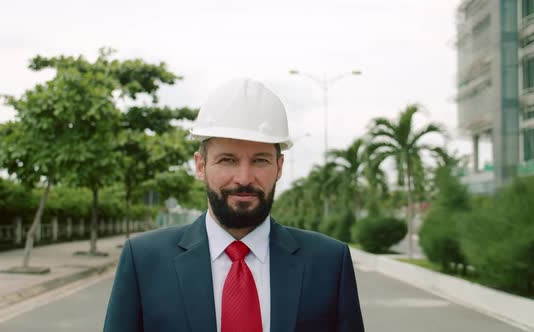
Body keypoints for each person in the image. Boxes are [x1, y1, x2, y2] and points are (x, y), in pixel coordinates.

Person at [103, 78, 365, 332]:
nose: (243, 178)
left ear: (279, 167)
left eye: (260, 160)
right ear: (200, 166)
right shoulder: (144, 260)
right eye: (227, 160)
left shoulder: (329, 262)